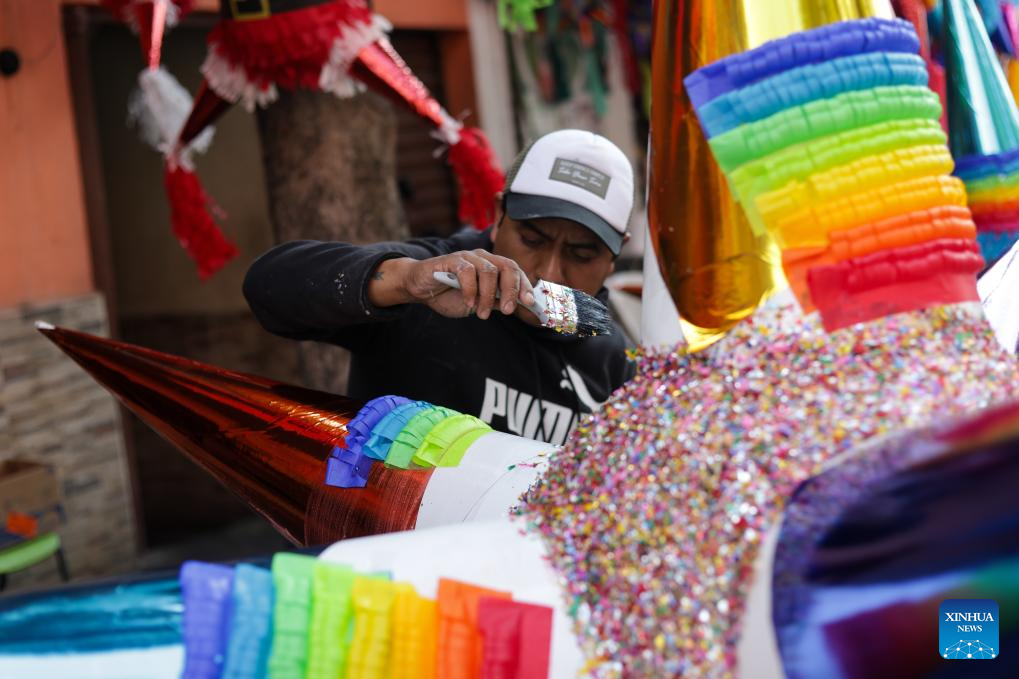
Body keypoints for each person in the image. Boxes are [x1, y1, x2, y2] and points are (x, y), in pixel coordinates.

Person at [244, 129, 636, 444]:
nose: (549, 272)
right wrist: (403, 282)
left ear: (615, 257)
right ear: (499, 216)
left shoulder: (608, 353)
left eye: (581, 255)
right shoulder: (430, 283)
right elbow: (268, 285)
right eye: (532, 240)